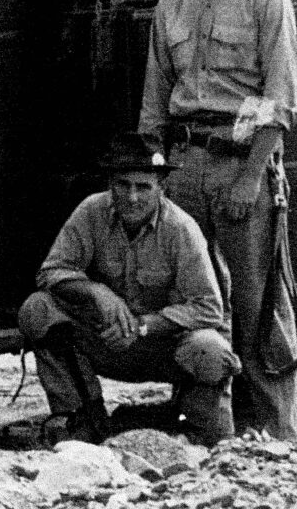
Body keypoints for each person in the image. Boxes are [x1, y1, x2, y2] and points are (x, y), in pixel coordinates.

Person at [138, 0, 297, 442]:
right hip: (184, 168)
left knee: (258, 303)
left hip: (242, 167)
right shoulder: (172, 1)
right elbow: (155, 98)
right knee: (197, 301)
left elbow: (277, 99)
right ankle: (213, 437)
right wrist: (162, 171)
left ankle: (283, 440)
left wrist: (251, 175)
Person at [18, 134, 240, 446]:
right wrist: (97, 292)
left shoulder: (181, 229)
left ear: (161, 188)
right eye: (123, 184)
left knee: (211, 351)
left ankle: (193, 425)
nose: (132, 197)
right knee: (38, 309)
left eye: (143, 187)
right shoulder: (91, 212)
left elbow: (208, 307)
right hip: (107, 341)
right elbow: (51, 272)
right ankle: (82, 418)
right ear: (110, 183)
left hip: (165, 347)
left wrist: (143, 327)